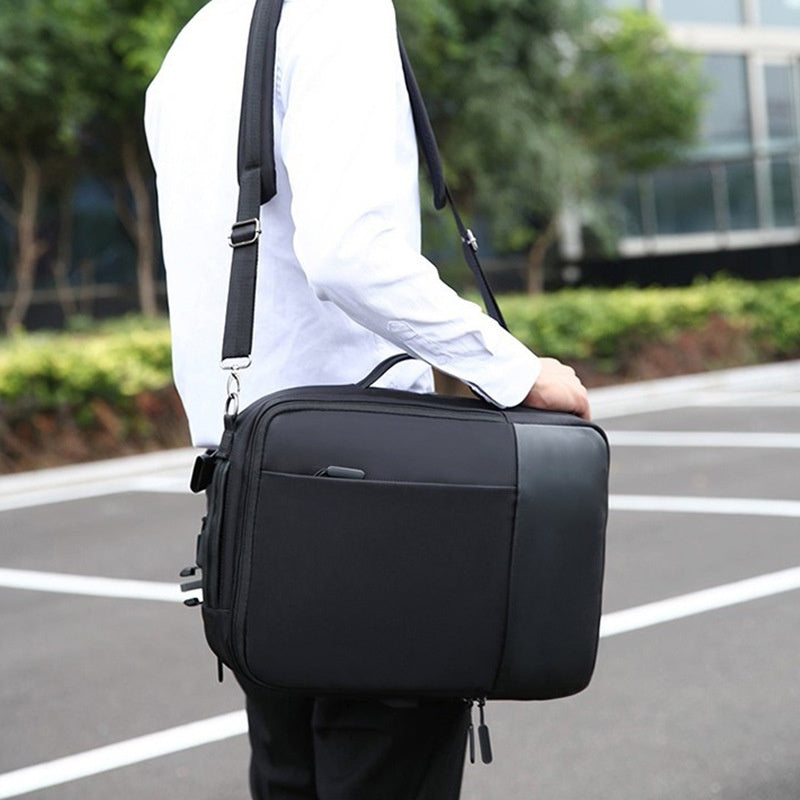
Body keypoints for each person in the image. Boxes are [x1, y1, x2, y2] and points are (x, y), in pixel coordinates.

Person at [145, 0, 589, 798]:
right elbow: (348, 251)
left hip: (247, 489)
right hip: (371, 491)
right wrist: (513, 370)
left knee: (289, 775)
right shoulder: (338, 10)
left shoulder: (196, 40)